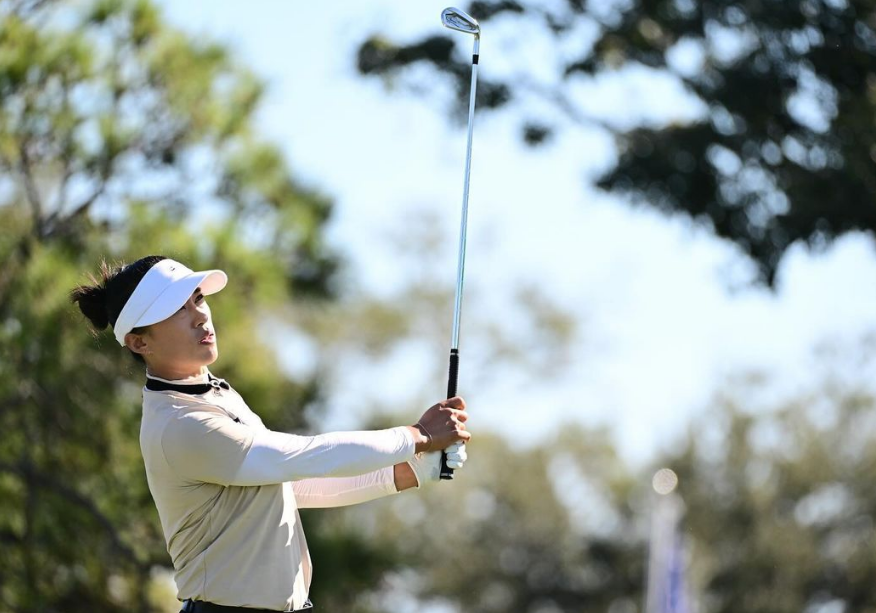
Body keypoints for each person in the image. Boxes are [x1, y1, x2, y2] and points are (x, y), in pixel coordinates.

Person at [70, 255, 471, 613]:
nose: (200, 316)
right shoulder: (180, 424)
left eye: (198, 299)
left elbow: (290, 486)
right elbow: (305, 457)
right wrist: (417, 434)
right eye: (177, 309)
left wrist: (414, 470)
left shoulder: (214, 394)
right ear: (139, 342)